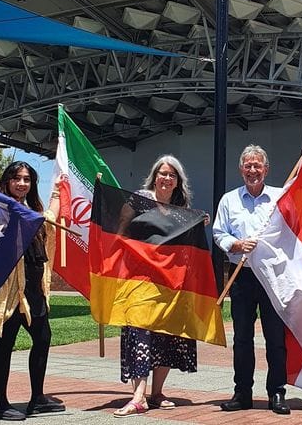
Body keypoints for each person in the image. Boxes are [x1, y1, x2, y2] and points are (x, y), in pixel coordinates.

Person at [113, 155, 199, 418]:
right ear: (154, 175)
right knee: (140, 332)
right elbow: (120, 234)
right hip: (140, 280)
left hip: (171, 284)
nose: (166, 178)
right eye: (162, 173)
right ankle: (138, 397)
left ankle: (157, 393)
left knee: (167, 336)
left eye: (172, 175)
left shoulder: (180, 208)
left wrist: (198, 222)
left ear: (178, 182)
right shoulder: (139, 199)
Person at [213, 144, 290, 415]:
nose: (253, 170)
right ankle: (242, 393)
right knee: (243, 338)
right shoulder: (229, 200)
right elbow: (219, 233)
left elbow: (293, 232)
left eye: (257, 165)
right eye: (248, 165)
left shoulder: (281, 198)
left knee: (275, 338)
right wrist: (235, 245)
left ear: (266, 169)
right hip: (242, 276)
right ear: (241, 169)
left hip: (271, 276)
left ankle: (277, 393)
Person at [0, 161, 66, 421]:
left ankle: (37, 399)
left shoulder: (33, 210)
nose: (22, 183)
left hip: (34, 288)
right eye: (16, 178)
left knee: (43, 338)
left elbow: (50, 220)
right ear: (7, 181)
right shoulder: (0, 207)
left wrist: (57, 191)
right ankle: (0, 403)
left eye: (27, 179)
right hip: (10, 289)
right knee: (5, 344)